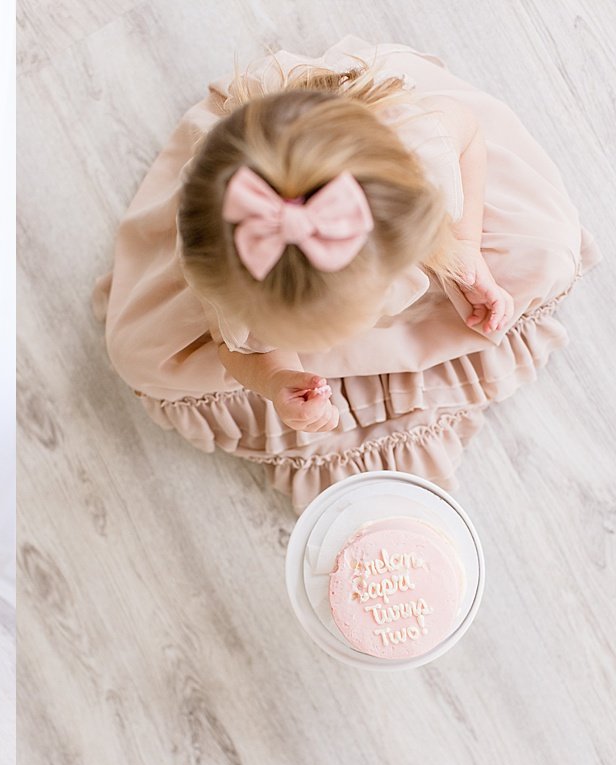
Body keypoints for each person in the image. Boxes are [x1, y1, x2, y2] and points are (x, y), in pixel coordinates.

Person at [95, 36, 599, 511]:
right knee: (140, 357)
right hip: (285, 262)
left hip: (396, 199)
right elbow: (239, 348)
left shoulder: (420, 153)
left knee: (547, 249)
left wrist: (464, 248)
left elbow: (467, 134)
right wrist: (276, 380)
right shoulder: (237, 283)